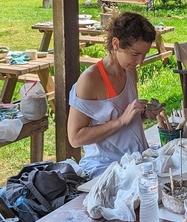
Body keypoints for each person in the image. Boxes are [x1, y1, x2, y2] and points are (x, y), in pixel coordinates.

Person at [68, 12, 162, 178]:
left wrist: (143, 114)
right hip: (105, 167)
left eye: (144, 54)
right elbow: (75, 138)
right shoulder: (90, 80)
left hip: (136, 160)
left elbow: (124, 118)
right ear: (116, 43)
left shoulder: (129, 71)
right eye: (135, 54)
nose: (140, 62)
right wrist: (121, 121)